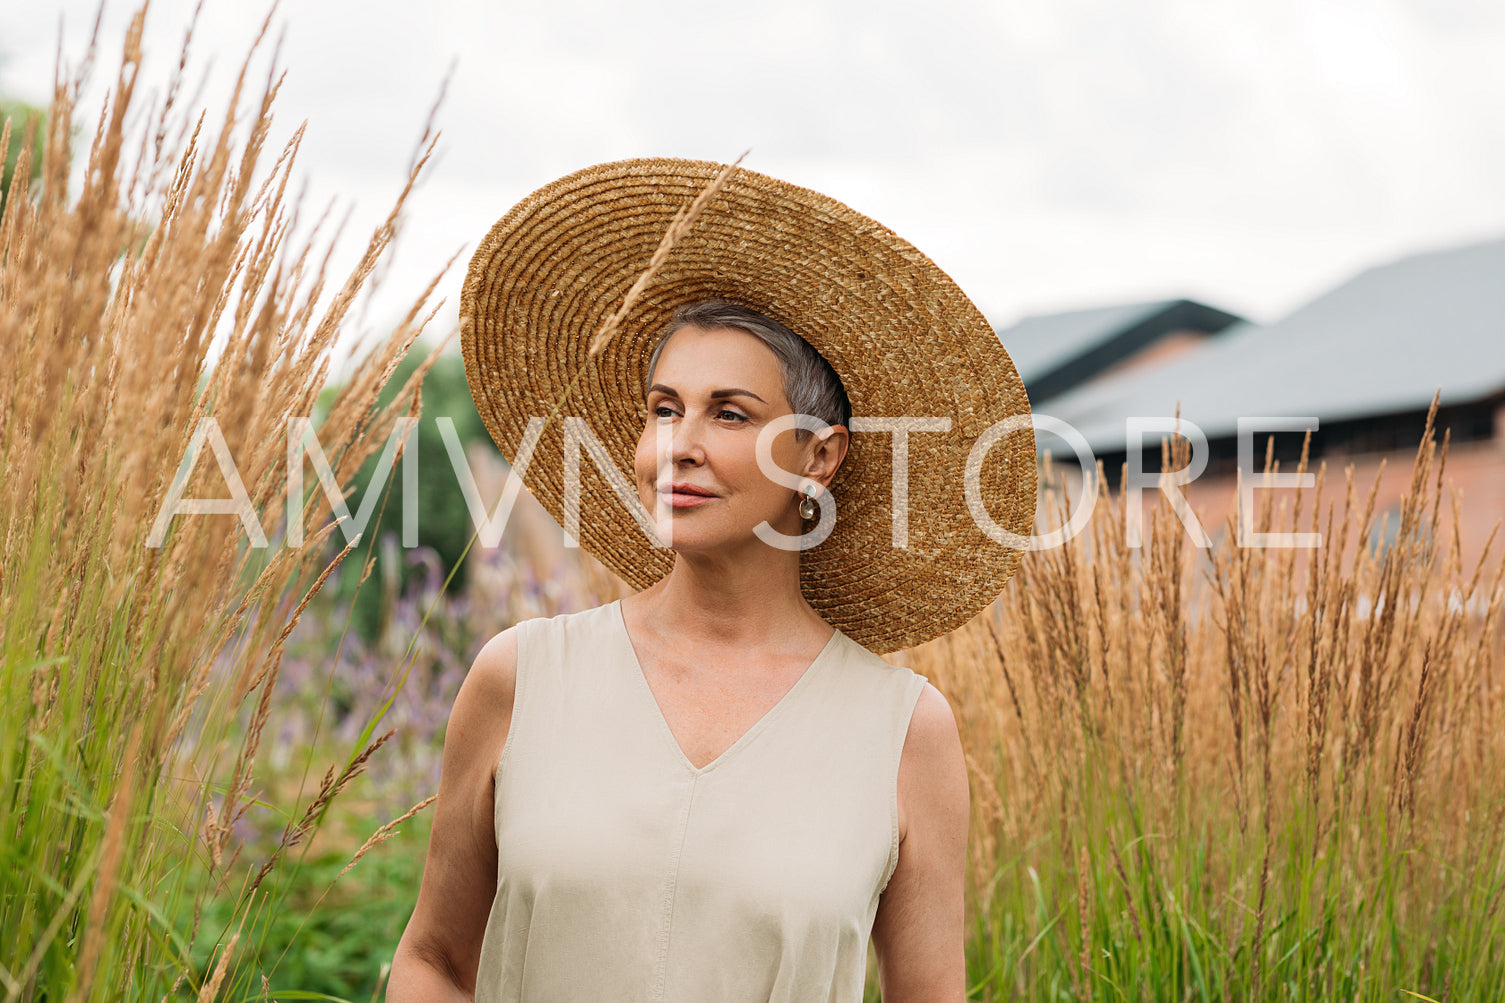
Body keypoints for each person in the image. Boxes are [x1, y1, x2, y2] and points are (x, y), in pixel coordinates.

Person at [388, 158, 1035, 1002]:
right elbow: (432, 960)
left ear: (819, 455)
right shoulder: (521, 678)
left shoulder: (902, 730)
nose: (677, 445)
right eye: (664, 408)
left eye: (729, 413)